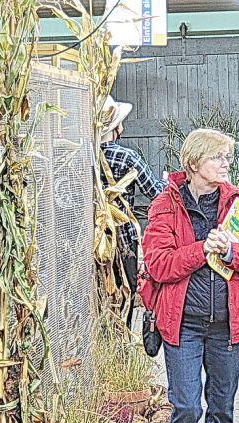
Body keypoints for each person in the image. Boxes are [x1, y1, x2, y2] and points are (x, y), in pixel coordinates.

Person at [141, 129, 239, 423]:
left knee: (222, 406)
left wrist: (229, 250)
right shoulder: (165, 206)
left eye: (227, 158)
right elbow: (159, 265)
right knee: (185, 407)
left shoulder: (235, 203)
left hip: (228, 325)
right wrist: (201, 250)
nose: (226, 164)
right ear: (194, 164)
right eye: (218, 158)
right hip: (184, 325)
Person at [100, 95, 166, 328]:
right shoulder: (127, 156)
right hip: (123, 238)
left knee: (97, 300)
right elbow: (156, 192)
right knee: (124, 297)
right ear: (116, 127)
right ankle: (121, 348)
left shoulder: (80, 157)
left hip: (90, 240)